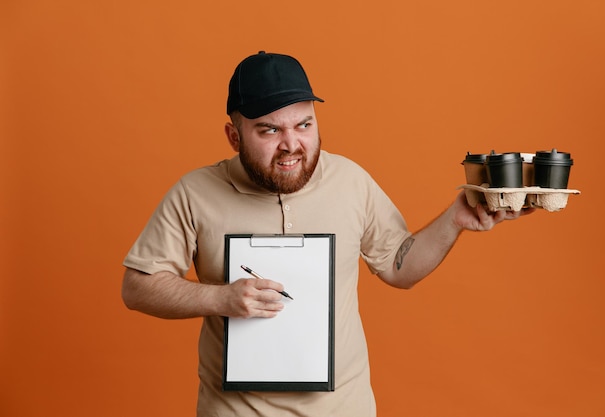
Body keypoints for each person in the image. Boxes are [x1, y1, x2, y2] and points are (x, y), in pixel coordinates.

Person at [121, 51, 533, 417]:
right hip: (233, 410)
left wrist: (455, 219)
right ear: (234, 137)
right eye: (269, 130)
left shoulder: (351, 181)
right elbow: (137, 287)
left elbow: (397, 266)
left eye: (303, 124)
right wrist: (220, 297)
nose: (291, 145)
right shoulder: (194, 193)